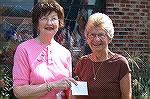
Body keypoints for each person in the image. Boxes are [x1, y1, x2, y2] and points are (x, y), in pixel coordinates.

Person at [12, 0, 77, 99]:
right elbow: (19, 91)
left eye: (54, 18)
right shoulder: (24, 49)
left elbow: (68, 92)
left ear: (59, 23)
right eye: (44, 18)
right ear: (37, 23)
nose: (49, 23)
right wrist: (53, 85)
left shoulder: (65, 53)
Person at [74, 13, 132, 99]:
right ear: (87, 38)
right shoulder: (83, 62)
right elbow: (78, 96)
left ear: (109, 37)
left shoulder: (120, 63)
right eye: (92, 35)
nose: (96, 39)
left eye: (101, 35)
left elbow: (126, 96)